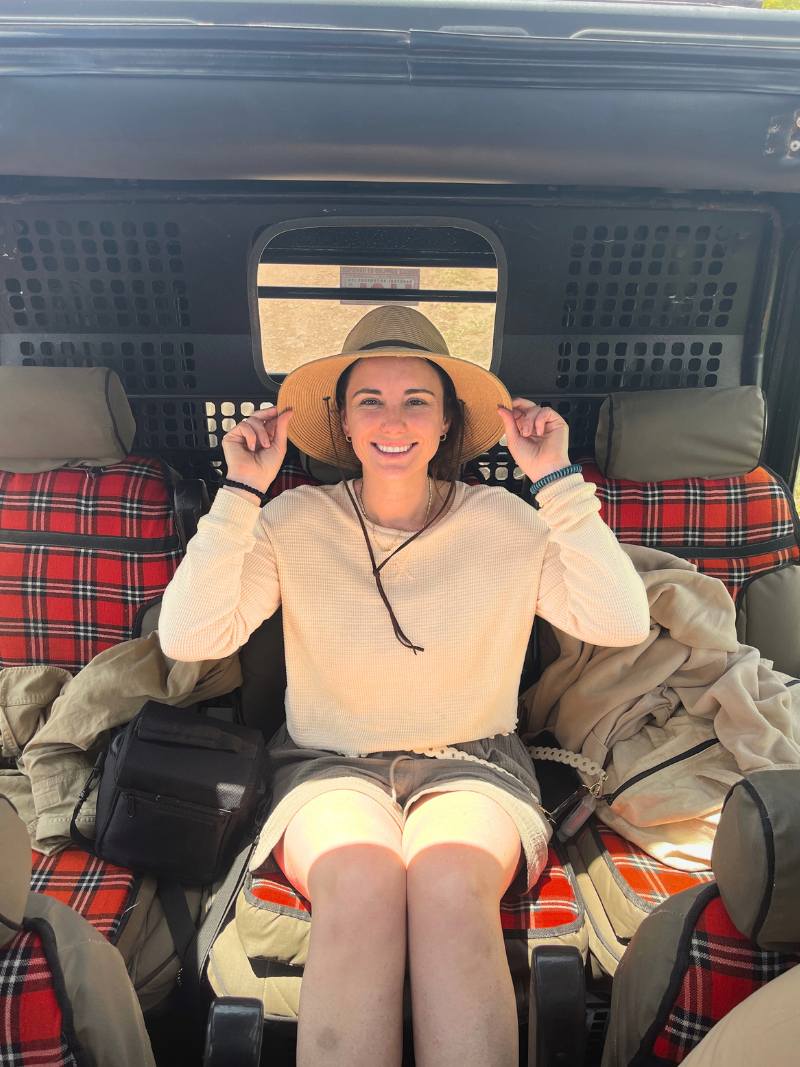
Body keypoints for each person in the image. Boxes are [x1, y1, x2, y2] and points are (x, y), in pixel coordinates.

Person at [158, 305, 650, 1067]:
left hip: (474, 760)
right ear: (344, 424)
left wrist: (556, 479)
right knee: (359, 880)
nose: (394, 420)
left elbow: (619, 619)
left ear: (449, 421)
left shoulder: (504, 522)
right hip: (327, 763)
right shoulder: (294, 518)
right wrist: (240, 492)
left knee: (452, 881)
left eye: (418, 399)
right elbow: (188, 637)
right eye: (371, 401)